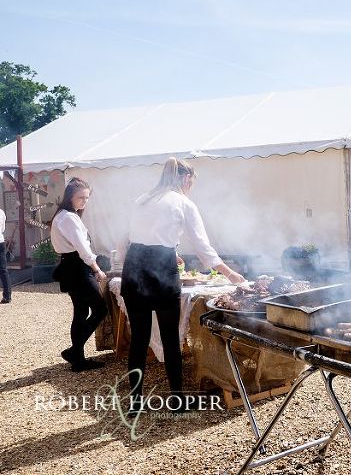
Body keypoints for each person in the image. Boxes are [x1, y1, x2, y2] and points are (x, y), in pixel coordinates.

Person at [121, 157, 245, 413]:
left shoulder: (141, 199)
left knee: (139, 339)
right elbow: (203, 248)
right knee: (169, 338)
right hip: (160, 270)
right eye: (192, 183)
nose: (191, 187)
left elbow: (132, 238)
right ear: (186, 179)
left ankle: (135, 403)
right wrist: (230, 274)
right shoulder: (183, 203)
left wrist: (167, 249)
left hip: (134, 266)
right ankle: (176, 400)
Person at [51, 177, 108, 371]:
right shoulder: (67, 217)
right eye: (80, 197)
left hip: (73, 266)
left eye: (87, 197)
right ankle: (76, 352)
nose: (84, 201)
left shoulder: (68, 215)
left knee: (82, 312)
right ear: (70, 197)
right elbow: (82, 249)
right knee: (100, 309)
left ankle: (78, 358)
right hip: (77, 267)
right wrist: (97, 269)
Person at [0, 207, 11, 303]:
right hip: (0, 241)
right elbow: (3, 228)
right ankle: (7, 296)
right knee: (3, 269)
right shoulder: (1, 212)